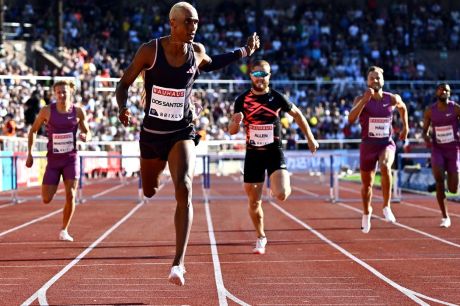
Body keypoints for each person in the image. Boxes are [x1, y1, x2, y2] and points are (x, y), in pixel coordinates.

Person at [115, 1, 260, 286]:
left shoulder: (196, 52)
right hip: (152, 135)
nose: (194, 27)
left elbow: (213, 62)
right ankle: (162, 172)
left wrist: (245, 51)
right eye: (188, 22)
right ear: (173, 23)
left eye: (196, 22)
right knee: (150, 190)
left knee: (185, 187)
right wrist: (123, 107)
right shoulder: (150, 50)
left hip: (182, 130)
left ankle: (178, 264)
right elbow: (123, 83)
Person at [228, 60, 319, 254]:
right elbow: (232, 130)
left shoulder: (277, 98)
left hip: (274, 152)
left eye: (264, 74)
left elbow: (298, 115)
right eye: (257, 74)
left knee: (282, 194)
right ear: (250, 75)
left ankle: (273, 186)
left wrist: (310, 138)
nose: (260, 78)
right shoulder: (241, 100)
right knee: (254, 202)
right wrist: (236, 122)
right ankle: (261, 236)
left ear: (270, 76)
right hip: (253, 155)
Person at [26, 80, 91, 242]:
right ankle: (53, 189)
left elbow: (87, 131)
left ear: (71, 92)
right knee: (46, 198)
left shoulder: (78, 111)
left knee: (71, 194)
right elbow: (33, 130)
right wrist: (29, 153)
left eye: (64, 92)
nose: (62, 95)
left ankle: (64, 230)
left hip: (71, 159)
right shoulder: (47, 111)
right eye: (59, 92)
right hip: (53, 161)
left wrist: (85, 136)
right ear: (55, 94)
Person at [348, 66, 408, 233]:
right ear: (367, 81)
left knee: (385, 166)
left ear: (383, 80)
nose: (375, 80)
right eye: (372, 78)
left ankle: (386, 206)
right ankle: (367, 213)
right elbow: (351, 119)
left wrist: (405, 127)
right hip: (368, 146)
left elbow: (403, 108)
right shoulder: (361, 98)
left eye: (378, 78)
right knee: (366, 185)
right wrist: (363, 101)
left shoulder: (392, 98)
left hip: (385, 143)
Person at [422, 83, 459, 228]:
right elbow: (424, 131)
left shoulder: (456, 109)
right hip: (438, 149)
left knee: (454, 188)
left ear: (449, 93)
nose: (444, 91)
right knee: (439, 180)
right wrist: (426, 138)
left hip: (454, 150)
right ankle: (445, 217)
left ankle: (443, 185)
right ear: (437, 92)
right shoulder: (430, 111)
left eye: (447, 90)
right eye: (441, 89)